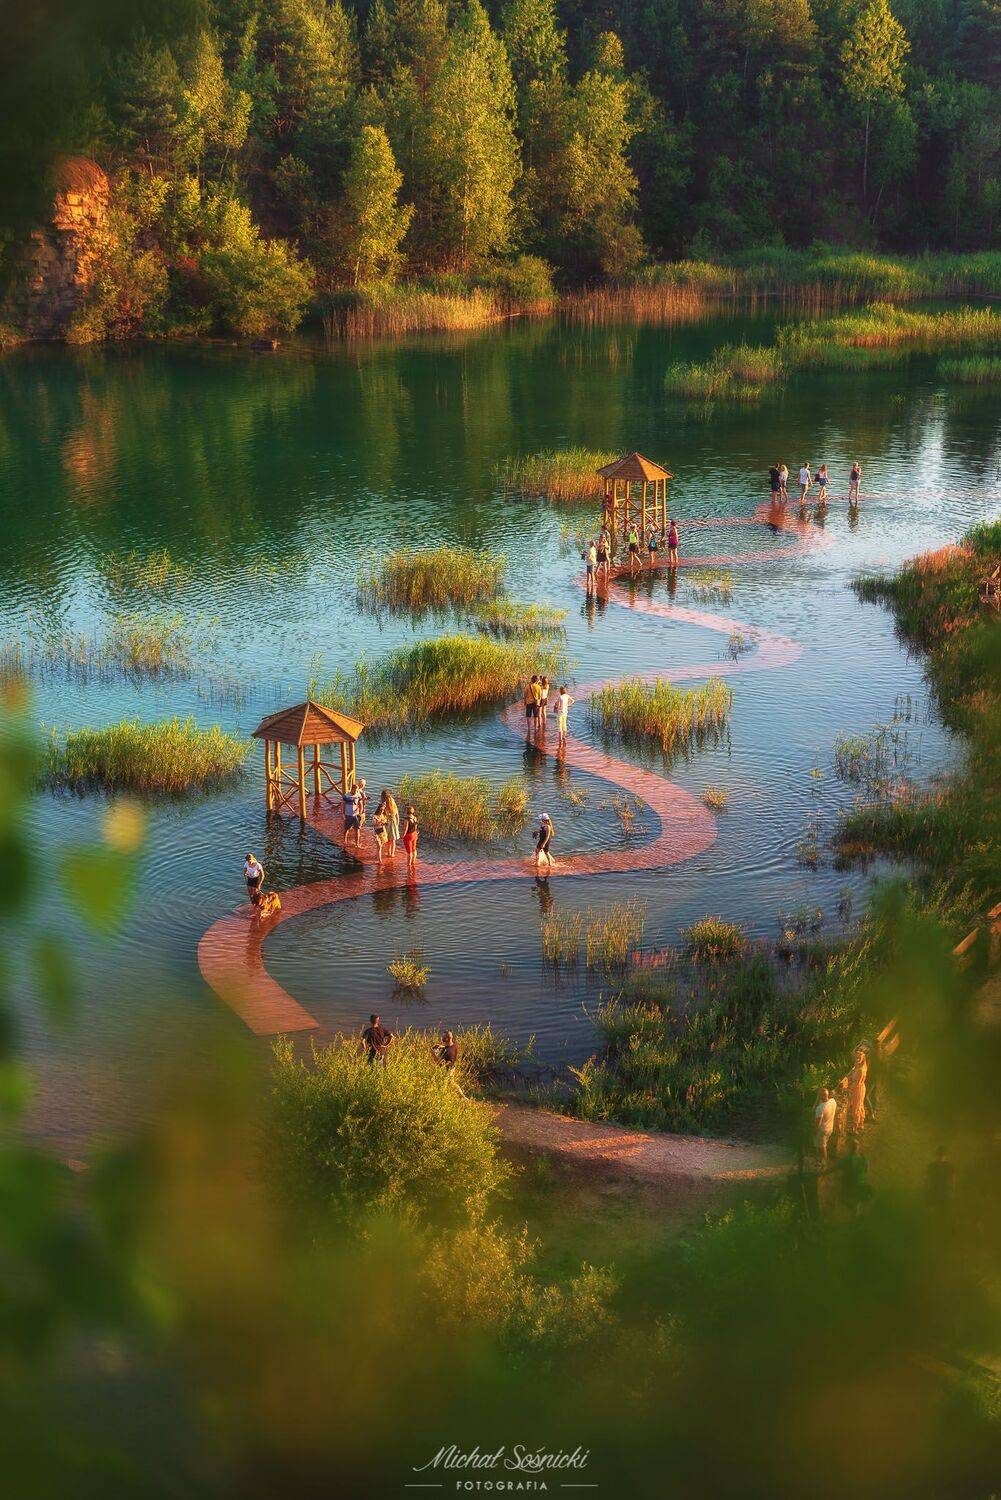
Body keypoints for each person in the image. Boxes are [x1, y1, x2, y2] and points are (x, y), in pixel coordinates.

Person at [841, 1139, 871, 1216]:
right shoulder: (863, 1158)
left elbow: (835, 1169)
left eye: (846, 1146)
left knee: (846, 1201)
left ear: (849, 1148)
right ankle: (855, 1219)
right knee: (856, 1204)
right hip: (861, 1183)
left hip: (851, 1185)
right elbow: (866, 1170)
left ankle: (852, 1218)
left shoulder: (848, 1159)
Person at [842, 1047, 867, 1137]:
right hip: (859, 1088)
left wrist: (847, 1089)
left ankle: (854, 1128)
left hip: (858, 1089)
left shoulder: (861, 1070)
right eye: (856, 1057)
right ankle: (861, 1124)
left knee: (855, 1109)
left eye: (859, 1058)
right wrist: (847, 1077)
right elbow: (852, 1072)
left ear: (863, 1058)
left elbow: (856, 1083)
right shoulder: (857, 1065)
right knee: (860, 1106)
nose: (857, 1059)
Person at [433, 1030, 466, 1097]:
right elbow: (449, 1047)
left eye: (442, 1037)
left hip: (446, 1070)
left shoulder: (446, 1052)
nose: (441, 1038)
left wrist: (432, 1053)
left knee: (443, 1085)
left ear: (446, 1039)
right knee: (452, 1083)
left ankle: (442, 1099)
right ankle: (463, 1097)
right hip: (452, 1067)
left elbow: (438, 1062)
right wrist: (442, 1046)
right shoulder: (454, 1045)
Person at [925, 1146, 956, 1217]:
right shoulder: (949, 1166)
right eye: (941, 1154)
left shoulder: (932, 1166)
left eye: (942, 1154)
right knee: (941, 1212)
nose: (941, 1156)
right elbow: (953, 1180)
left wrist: (952, 1190)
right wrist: (952, 1190)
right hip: (939, 1191)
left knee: (938, 1212)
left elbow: (927, 1180)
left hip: (939, 1191)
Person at [813, 1087, 837, 1164]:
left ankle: (824, 1163)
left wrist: (814, 1131)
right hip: (830, 1128)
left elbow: (818, 1123)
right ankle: (819, 1160)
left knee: (822, 1148)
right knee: (821, 1145)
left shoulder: (820, 1109)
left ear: (819, 1097)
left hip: (822, 1131)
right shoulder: (833, 1102)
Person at [378, 788, 400, 859]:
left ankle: (389, 852)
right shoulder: (392, 801)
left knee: (388, 839)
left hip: (387, 822)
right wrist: (398, 821)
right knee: (393, 839)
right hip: (393, 822)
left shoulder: (383, 804)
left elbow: (380, 815)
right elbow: (397, 812)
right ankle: (392, 854)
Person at [342, 783, 361, 853]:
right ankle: (345, 841)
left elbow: (360, 804)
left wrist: (361, 812)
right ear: (352, 789)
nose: (356, 791)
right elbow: (343, 805)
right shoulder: (346, 795)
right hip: (348, 815)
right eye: (355, 790)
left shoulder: (358, 795)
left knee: (357, 830)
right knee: (346, 829)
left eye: (357, 790)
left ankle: (357, 844)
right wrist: (343, 814)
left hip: (356, 815)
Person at [402, 804, 419, 872]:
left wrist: (402, 836)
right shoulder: (415, 818)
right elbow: (416, 827)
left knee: (409, 852)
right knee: (414, 849)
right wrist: (416, 834)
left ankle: (408, 865)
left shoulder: (407, 819)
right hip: (414, 834)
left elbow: (405, 829)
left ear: (407, 812)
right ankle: (413, 862)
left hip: (409, 835)